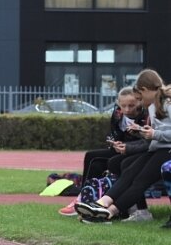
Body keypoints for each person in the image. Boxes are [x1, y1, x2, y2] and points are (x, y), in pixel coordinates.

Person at [75, 69, 171, 224]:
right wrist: (143, 133)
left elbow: (160, 134)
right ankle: (102, 204)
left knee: (140, 180)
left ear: (145, 90)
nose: (140, 102)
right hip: (158, 149)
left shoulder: (167, 103)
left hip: (167, 151)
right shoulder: (153, 106)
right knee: (129, 170)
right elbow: (156, 134)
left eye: (139, 98)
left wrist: (154, 134)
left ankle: (109, 212)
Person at [58, 86, 149, 217]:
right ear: (118, 104)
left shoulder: (145, 115)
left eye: (132, 105)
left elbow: (147, 141)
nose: (128, 109)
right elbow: (115, 135)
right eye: (124, 106)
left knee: (107, 161)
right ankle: (86, 197)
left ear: (139, 102)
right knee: (92, 158)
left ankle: (85, 198)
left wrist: (129, 144)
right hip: (122, 150)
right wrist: (115, 143)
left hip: (137, 152)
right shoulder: (117, 114)